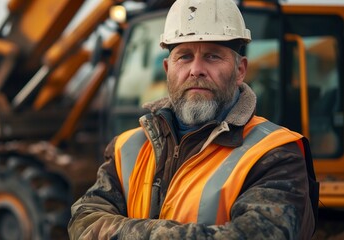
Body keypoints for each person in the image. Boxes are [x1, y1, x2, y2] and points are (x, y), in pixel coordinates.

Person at [68, 0, 318, 239]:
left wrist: (123, 231)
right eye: (185, 56)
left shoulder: (274, 153)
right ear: (168, 70)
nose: (196, 69)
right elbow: (83, 220)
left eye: (212, 56)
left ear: (240, 70)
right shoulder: (127, 148)